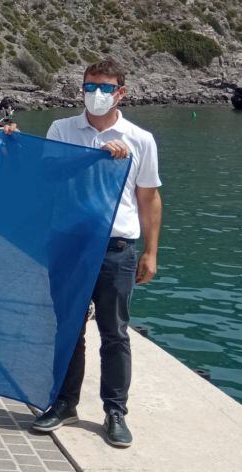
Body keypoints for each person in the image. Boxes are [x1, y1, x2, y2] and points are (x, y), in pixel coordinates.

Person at [31, 58, 162, 448]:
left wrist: (150, 253)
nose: (97, 94)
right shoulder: (62, 129)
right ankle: (64, 402)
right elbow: (48, 178)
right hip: (69, 242)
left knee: (115, 333)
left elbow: (149, 198)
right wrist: (94, 162)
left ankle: (115, 411)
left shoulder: (140, 139)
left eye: (105, 88)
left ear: (121, 92)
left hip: (116, 248)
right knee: (68, 327)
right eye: (90, 86)